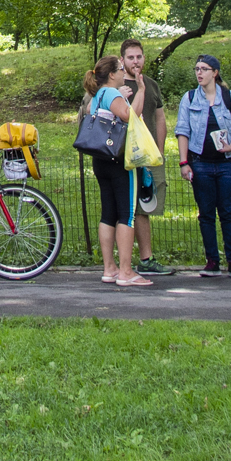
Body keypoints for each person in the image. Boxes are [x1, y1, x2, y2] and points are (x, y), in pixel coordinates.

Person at [173, 54, 231, 278]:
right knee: (205, 214)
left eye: (204, 69)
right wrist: (184, 162)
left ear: (215, 72)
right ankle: (212, 261)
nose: (199, 73)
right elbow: (182, 131)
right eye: (197, 69)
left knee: (228, 213)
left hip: (228, 165)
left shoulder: (230, 97)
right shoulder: (189, 98)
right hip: (201, 164)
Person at [83, 55, 145, 287]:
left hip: (101, 160)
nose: (123, 72)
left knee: (108, 213)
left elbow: (92, 111)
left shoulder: (97, 95)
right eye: (120, 69)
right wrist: (140, 91)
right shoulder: (111, 92)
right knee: (126, 213)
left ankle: (109, 268)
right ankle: (126, 271)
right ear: (111, 74)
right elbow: (131, 117)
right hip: (119, 159)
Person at [120, 38, 174, 276]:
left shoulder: (151, 85)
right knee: (124, 209)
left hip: (148, 157)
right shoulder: (116, 85)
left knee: (144, 208)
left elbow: (160, 118)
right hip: (123, 157)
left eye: (139, 57)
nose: (135, 61)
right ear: (122, 60)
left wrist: (159, 151)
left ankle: (146, 259)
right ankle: (121, 264)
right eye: (130, 57)